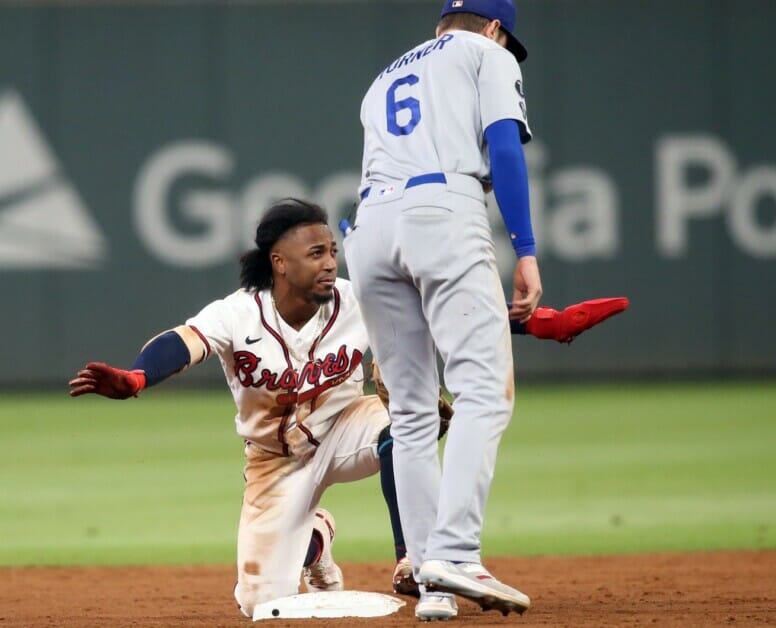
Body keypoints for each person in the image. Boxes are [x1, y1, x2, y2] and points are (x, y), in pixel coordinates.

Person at [68, 198, 627, 618]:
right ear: (279, 262)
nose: (329, 262)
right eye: (315, 253)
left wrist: (547, 324)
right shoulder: (239, 313)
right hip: (272, 462)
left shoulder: (357, 300)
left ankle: (414, 559)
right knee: (260, 604)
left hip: (346, 429)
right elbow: (180, 342)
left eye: (332, 251)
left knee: (406, 421)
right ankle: (316, 540)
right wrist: (137, 377)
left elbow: (455, 310)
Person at [345, 0, 544, 620]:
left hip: (369, 227)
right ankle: (455, 553)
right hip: (442, 209)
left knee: (410, 413)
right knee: (483, 390)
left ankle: (434, 584)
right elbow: (504, 148)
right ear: (494, 27)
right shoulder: (486, 53)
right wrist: (526, 250)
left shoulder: (383, 77)